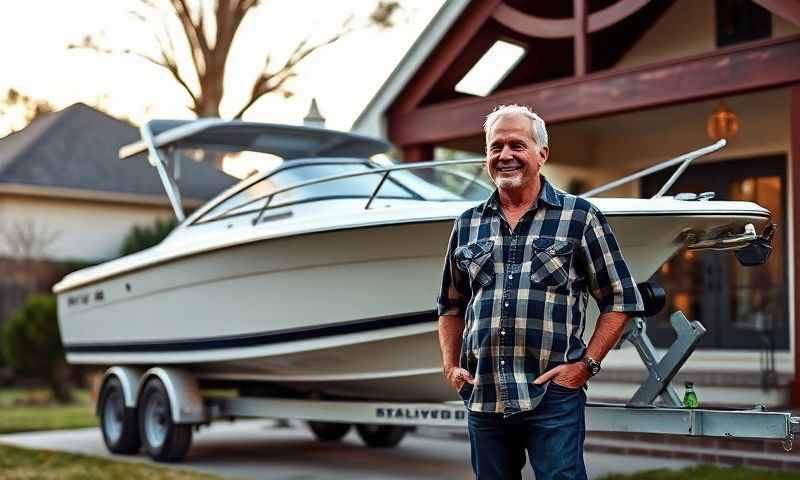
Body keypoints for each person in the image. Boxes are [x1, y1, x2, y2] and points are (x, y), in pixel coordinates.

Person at [436, 105, 644, 479]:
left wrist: (585, 366)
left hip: (553, 396)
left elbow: (621, 299)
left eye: (517, 144)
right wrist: (451, 367)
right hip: (484, 396)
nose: (505, 155)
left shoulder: (580, 217)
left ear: (541, 154)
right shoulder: (466, 224)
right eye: (496, 147)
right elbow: (450, 306)